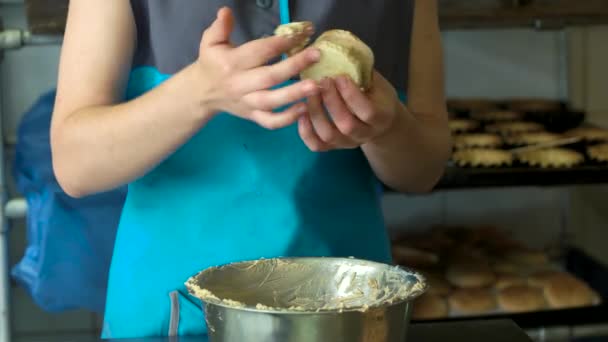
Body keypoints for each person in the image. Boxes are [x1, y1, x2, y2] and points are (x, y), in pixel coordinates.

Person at [50, 0, 451, 338]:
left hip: (345, 314)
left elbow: (423, 170)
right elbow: (75, 164)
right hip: (171, 314)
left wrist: (387, 127)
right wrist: (199, 92)